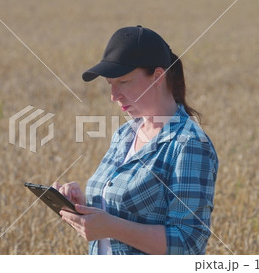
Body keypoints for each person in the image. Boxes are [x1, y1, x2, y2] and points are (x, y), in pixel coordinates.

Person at [53, 25, 218, 255]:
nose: (113, 96)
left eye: (124, 82)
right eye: (110, 84)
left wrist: (111, 227)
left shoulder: (188, 144)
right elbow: (118, 216)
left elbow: (189, 243)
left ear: (158, 77)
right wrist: (83, 207)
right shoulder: (124, 135)